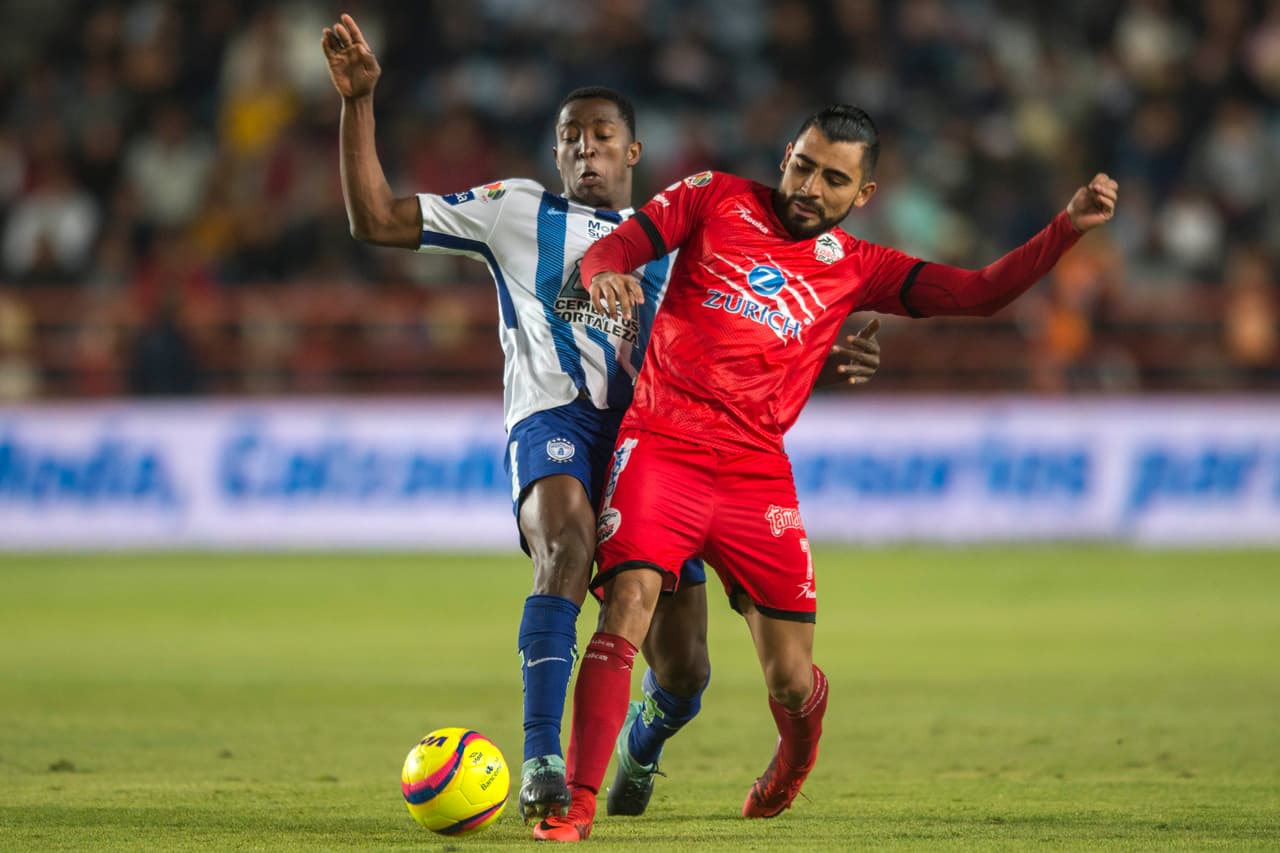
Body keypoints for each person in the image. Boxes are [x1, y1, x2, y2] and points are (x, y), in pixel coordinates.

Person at [320, 16, 883, 823]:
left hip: (657, 448)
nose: (586, 148)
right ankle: (544, 761)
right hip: (554, 422)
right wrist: (360, 104)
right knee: (565, 545)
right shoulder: (512, 209)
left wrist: (819, 354)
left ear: (634, 153)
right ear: (555, 154)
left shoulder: (684, 237)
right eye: (570, 137)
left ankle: (640, 748)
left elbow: (747, 343)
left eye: (603, 134)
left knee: (685, 670)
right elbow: (373, 218)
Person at [532, 104, 1118, 842]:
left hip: (755, 476)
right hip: (662, 447)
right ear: (786, 153)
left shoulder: (860, 267)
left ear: (862, 194)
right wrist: (605, 272)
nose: (809, 186)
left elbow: (979, 292)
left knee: (789, 677)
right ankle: (576, 806)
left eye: (833, 178)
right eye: (803, 165)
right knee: (629, 609)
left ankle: (792, 759)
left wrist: (1064, 227)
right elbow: (611, 250)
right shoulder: (712, 196)